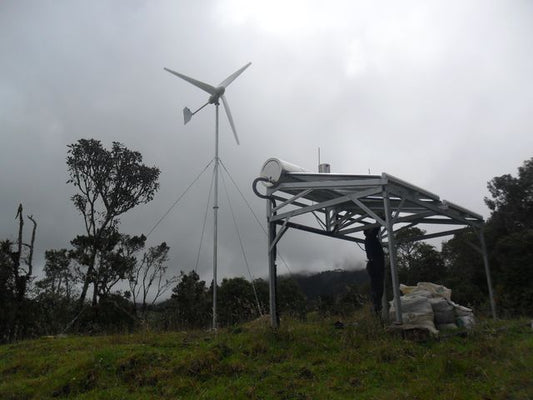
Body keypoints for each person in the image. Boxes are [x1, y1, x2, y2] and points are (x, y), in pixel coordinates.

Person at [364, 226, 385, 314]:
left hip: (373, 264)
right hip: (376, 264)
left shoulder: (368, 239)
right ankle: (377, 306)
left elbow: (375, 231)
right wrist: (382, 219)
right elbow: (375, 230)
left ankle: (377, 305)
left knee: (376, 286)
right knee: (378, 286)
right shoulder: (370, 237)